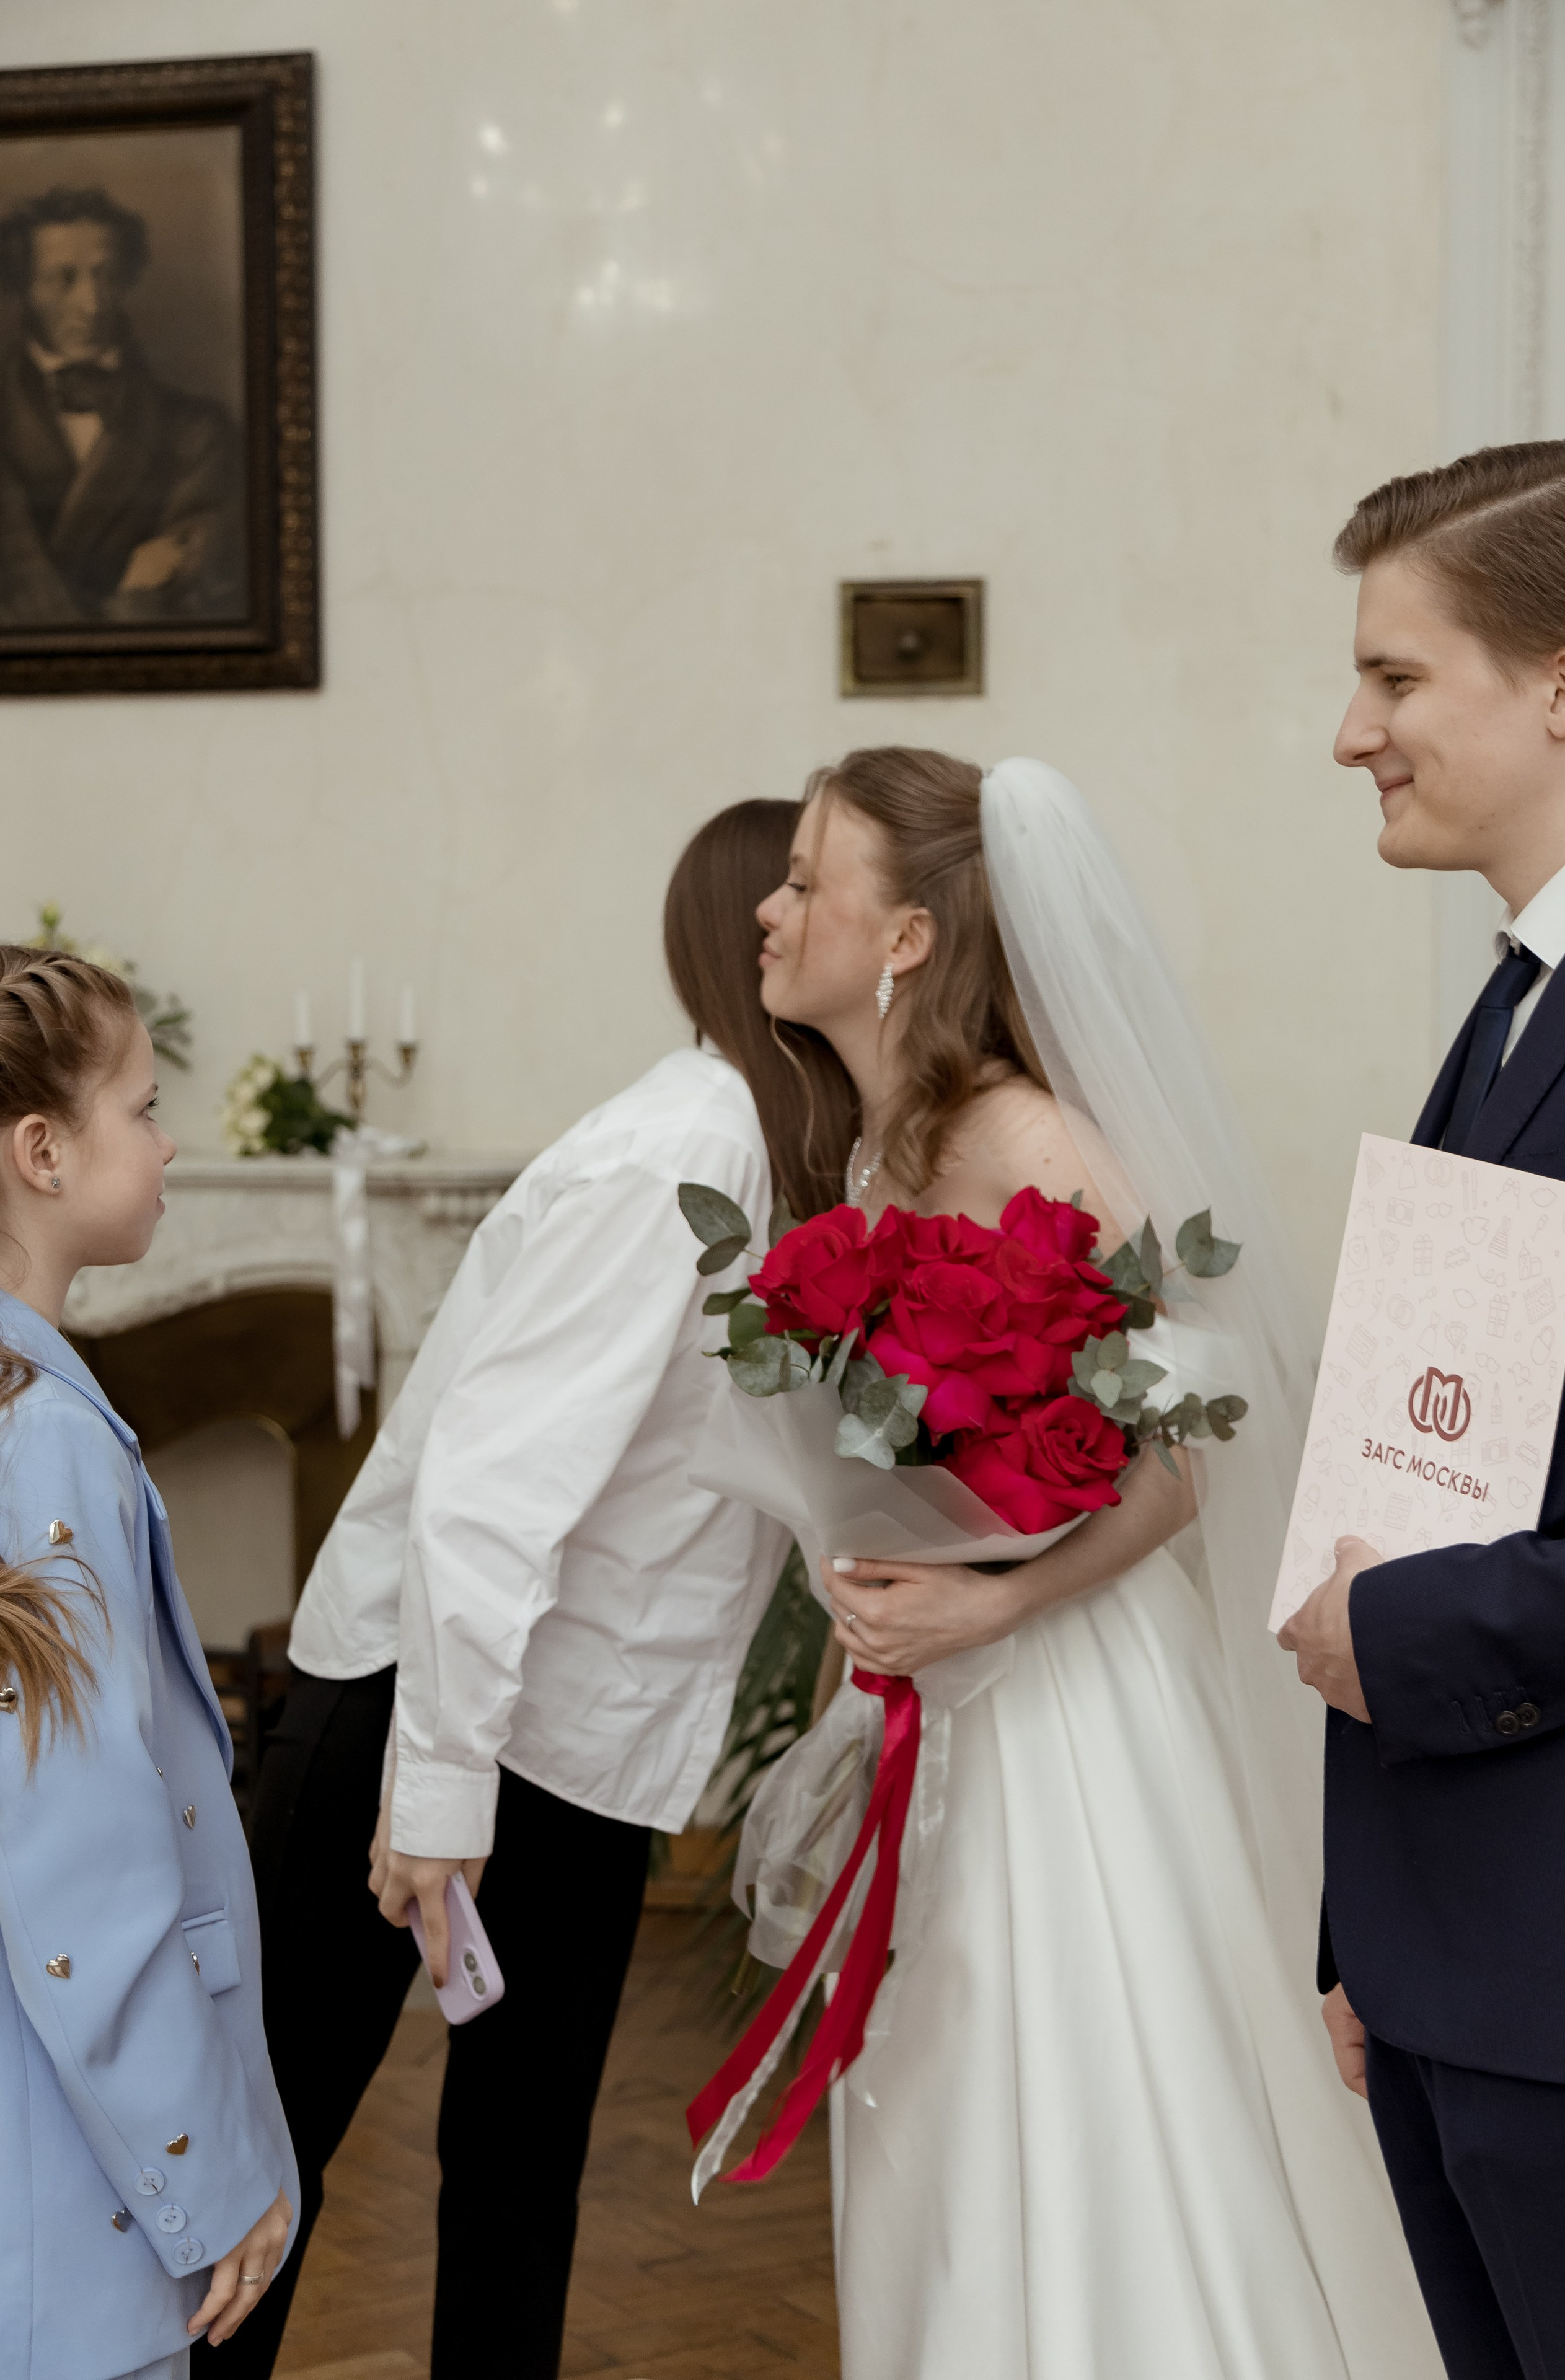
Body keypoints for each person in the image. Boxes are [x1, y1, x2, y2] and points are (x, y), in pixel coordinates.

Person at [752, 747, 1442, 2379]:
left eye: (803, 877)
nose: (769, 912)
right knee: (937, 2080)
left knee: (1062, 2065)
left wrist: (999, 1593)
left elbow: (1199, 1433)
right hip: (959, 1681)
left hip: (1067, 1696)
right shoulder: (874, 1147)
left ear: (907, 935)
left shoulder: (1019, 1134)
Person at [211, 798, 853, 2380]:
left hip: (571, 1735)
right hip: (423, 1713)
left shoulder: (779, 1153)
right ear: (750, 934)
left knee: (522, 2170)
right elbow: (488, 1497)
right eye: (794, 889)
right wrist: (435, 1790)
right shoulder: (685, 1150)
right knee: (268, 2150)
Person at [1281, 439, 1565, 2380]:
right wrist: (1366, 1928)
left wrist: (1380, 1636)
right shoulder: (1513, 999)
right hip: (1463, 1952)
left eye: (1396, 678)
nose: (1347, 732)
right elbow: (1445, 1451)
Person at [0, 946, 295, 2380]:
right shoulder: (42, 1433)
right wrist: (206, 2163)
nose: (173, 1140)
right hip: (64, 2180)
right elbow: (78, 1861)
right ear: (42, 1149)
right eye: (145, 1104)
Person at [0, 184, 245, 626]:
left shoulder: (198, 431)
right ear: (23, 286)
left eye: (107, 276)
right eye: (63, 279)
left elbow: (195, 600)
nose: (92, 305)